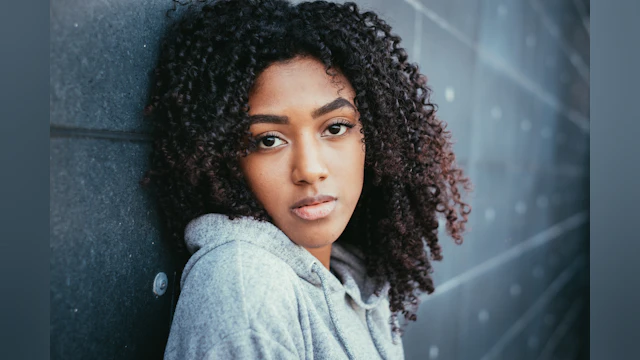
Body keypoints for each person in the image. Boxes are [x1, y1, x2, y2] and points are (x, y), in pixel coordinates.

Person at [143, 0, 472, 358]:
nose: (310, 169)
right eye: (268, 140)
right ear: (225, 160)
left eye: (335, 128)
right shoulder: (246, 287)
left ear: (376, 138)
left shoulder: (355, 273)